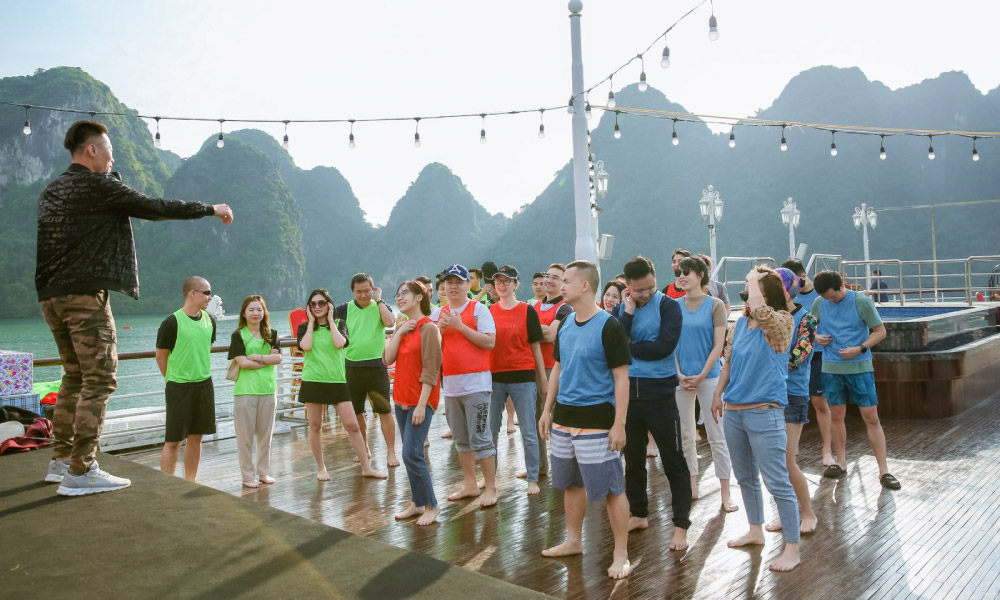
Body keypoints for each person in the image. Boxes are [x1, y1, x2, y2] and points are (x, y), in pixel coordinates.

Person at [38, 120, 232, 496]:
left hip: (50, 294)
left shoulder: (51, 190)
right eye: (108, 148)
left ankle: (61, 460)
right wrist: (211, 208)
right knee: (100, 378)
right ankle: (82, 469)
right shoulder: (98, 185)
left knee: (74, 374)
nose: (112, 157)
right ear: (91, 149)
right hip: (83, 295)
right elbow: (155, 207)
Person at [538, 260, 633, 579]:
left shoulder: (609, 326)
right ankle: (573, 540)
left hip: (598, 420)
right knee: (570, 483)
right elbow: (558, 369)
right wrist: (547, 410)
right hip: (564, 418)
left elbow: (622, 378)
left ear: (585, 286)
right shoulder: (564, 324)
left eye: (566, 281)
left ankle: (621, 554)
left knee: (611, 489)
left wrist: (619, 424)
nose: (559, 285)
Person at [711, 267, 801, 572]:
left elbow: (764, 312)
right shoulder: (740, 325)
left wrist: (753, 278)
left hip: (765, 411)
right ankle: (754, 529)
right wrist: (717, 395)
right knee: (745, 477)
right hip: (734, 411)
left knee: (778, 481)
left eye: (751, 292)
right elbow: (728, 363)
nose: (747, 298)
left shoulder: (781, 324)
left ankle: (792, 547)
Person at [612, 256, 691, 550]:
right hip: (628, 395)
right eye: (637, 290)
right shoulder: (623, 307)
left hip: (660, 393)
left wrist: (631, 347)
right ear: (627, 287)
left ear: (655, 281)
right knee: (632, 460)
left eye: (648, 288)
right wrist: (629, 314)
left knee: (673, 460)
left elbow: (664, 347)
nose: (643, 294)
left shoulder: (669, 306)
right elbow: (617, 342)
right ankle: (638, 512)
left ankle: (681, 525)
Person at [812, 271, 900, 490]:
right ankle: (841, 462)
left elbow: (880, 331)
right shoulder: (819, 302)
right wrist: (815, 336)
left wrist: (859, 348)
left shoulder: (861, 302)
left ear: (842, 286)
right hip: (831, 368)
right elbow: (809, 326)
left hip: (860, 368)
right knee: (836, 415)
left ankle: (884, 470)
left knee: (871, 417)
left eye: (832, 296)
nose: (829, 300)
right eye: (826, 298)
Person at [297, 289, 386, 480]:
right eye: (313, 304)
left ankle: (366, 467)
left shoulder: (340, 324)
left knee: (352, 425)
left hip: (337, 381)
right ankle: (321, 468)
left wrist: (330, 321)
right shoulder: (305, 327)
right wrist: (312, 323)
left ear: (329, 305)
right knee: (315, 425)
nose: (317, 307)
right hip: (313, 380)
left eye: (322, 303)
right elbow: (305, 346)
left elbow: (340, 343)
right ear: (308, 307)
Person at [673, 256, 736, 511]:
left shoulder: (715, 305)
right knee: (685, 435)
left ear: (701, 274)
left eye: (687, 271)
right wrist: (678, 373)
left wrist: (700, 375)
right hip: (680, 379)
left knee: (717, 435)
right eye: (679, 271)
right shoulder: (673, 305)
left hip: (709, 378)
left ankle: (725, 492)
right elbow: (671, 345)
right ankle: (691, 485)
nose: (681, 275)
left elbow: (718, 346)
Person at [434, 264, 499, 507]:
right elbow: (431, 352)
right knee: (461, 440)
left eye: (458, 282)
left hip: (477, 385)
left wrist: (460, 326)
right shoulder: (438, 314)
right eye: (448, 283)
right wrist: (438, 333)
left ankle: (491, 487)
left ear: (467, 285)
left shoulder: (478, 310)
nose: (453, 287)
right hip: (451, 386)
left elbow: (490, 342)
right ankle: (470, 484)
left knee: (481, 438)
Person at [763, 269, 819, 534]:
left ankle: (807, 513)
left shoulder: (806, 319)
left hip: (792, 394)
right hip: (768, 393)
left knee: (787, 459)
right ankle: (787, 514)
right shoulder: (768, 319)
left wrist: (768, 361)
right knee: (774, 462)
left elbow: (800, 354)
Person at [384, 281, 443, 526]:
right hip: (400, 399)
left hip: (421, 401)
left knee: (412, 453)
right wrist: (399, 332)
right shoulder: (405, 327)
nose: (399, 298)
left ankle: (432, 505)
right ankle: (416, 503)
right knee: (409, 455)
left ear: (420, 297)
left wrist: (421, 405)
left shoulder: (429, 328)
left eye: (405, 293)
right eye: (397, 295)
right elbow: (387, 359)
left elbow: (431, 370)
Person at [488, 265, 547, 495]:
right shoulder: (490, 311)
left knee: (529, 431)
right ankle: (490, 479)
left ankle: (532, 478)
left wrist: (542, 379)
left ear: (516, 285)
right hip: (494, 378)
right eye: (498, 281)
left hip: (523, 377)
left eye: (507, 281)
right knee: (490, 431)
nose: (502, 285)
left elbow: (536, 347)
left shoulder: (527, 311)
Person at [156, 276, 218, 482]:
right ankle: (168, 485)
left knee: (196, 438)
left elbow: (204, 350)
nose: (210, 297)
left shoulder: (210, 321)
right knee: (174, 440)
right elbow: (161, 356)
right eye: (206, 292)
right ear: (192, 293)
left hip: (204, 385)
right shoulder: (171, 322)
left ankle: (190, 481)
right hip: (179, 387)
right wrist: (172, 379)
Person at [334, 273, 397, 468]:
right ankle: (364, 449)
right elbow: (324, 320)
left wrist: (379, 301)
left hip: (377, 366)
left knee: (385, 411)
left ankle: (391, 451)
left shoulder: (379, 306)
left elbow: (390, 323)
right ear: (353, 291)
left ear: (374, 289)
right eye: (359, 291)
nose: (363, 295)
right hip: (352, 367)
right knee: (357, 413)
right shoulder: (344, 309)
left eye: (367, 291)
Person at [781, 259, 834, 468]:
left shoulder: (820, 295)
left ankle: (826, 449)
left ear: (801, 277)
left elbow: (828, 322)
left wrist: (819, 337)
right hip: (794, 360)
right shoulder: (785, 302)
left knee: (820, 402)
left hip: (819, 355)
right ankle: (792, 447)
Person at [228, 295, 282, 488]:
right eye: (251, 309)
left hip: (268, 389)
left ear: (264, 312)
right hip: (245, 391)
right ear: (244, 312)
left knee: (265, 435)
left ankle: (263, 473)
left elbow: (278, 359)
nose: (255, 313)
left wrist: (257, 357)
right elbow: (242, 363)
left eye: (259, 309)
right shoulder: (238, 335)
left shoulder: (272, 334)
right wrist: (266, 359)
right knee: (245, 437)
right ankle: (247, 476)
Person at [531, 263, 574, 475]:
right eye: (548, 275)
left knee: (556, 418)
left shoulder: (565, 307)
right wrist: (540, 330)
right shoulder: (534, 306)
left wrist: (529, 330)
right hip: (533, 367)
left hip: (553, 369)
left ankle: (562, 465)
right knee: (535, 417)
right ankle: (540, 466)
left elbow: (551, 336)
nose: (549, 280)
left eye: (555, 277)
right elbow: (544, 333)